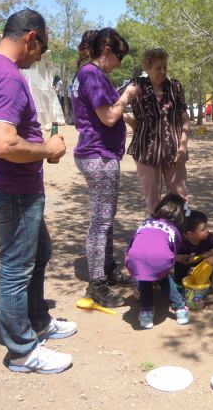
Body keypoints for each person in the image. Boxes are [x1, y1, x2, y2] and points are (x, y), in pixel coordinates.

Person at [0, 9, 76, 374]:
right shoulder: (7, 76)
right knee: (16, 268)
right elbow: (4, 144)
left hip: (8, 184)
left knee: (40, 250)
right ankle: (23, 351)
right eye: (41, 48)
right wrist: (48, 149)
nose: (40, 57)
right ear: (31, 38)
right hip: (12, 188)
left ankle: (38, 321)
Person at [72, 28, 139, 308]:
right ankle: (97, 283)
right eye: (119, 57)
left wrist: (132, 120)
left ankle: (108, 269)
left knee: (107, 216)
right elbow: (109, 116)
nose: (119, 64)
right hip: (97, 155)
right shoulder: (92, 74)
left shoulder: (91, 75)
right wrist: (127, 95)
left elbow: (107, 114)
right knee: (100, 220)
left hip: (103, 153)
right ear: (108, 51)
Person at [126, 48, 191, 215]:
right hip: (145, 151)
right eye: (158, 68)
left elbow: (185, 118)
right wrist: (132, 124)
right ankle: (157, 236)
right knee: (153, 200)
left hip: (174, 150)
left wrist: (183, 146)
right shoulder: (136, 86)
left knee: (180, 197)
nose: (162, 72)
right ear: (147, 68)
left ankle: (184, 233)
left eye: (165, 67)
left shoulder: (175, 87)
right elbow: (114, 103)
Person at [124, 194, 190, 329]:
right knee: (164, 278)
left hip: (135, 258)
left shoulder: (145, 223)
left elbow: (133, 243)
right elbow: (172, 251)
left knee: (145, 279)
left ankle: (146, 314)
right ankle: (181, 310)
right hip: (160, 260)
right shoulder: (174, 231)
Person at [174, 210, 213, 285]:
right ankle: (180, 281)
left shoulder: (208, 238)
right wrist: (181, 258)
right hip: (185, 261)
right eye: (203, 230)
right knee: (179, 267)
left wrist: (210, 253)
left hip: (203, 259)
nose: (207, 231)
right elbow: (171, 255)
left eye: (206, 227)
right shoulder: (179, 241)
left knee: (212, 261)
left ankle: (210, 280)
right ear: (190, 234)